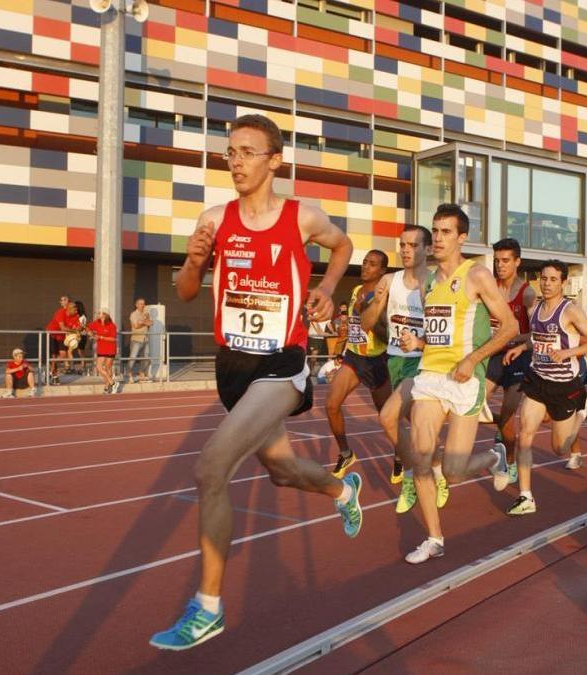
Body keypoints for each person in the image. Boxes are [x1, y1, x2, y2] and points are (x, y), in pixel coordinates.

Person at [150, 114, 361, 650]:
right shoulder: (215, 218)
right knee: (282, 470)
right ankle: (343, 488)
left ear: (274, 160)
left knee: (210, 469)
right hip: (233, 366)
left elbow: (344, 245)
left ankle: (209, 608)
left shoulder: (302, 217)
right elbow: (186, 291)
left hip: (281, 363)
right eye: (230, 152)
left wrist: (329, 286)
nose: (236, 161)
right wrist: (195, 263)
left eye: (247, 151)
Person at [397, 203, 519, 564]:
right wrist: (416, 343)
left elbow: (510, 327)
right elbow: (435, 336)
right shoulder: (427, 283)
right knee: (421, 460)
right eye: (434, 231)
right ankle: (434, 538)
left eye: (446, 231)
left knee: (452, 469)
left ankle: (495, 456)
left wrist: (472, 359)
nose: (437, 238)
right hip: (430, 377)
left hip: (465, 380)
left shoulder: (476, 275)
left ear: (462, 237)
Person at [506, 260, 587, 515]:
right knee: (524, 434)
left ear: (563, 283)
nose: (547, 284)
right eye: (544, 278)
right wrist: (522, 345)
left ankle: (580, 413)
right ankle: (526, 496)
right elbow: (536, 338)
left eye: (552, 280)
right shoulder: (536, 309)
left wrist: (569, 352)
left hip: (564, 386)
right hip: (538, 381)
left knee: (559, 448)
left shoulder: (570, 311)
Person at [360, 224, 440, 513]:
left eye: (414, 245)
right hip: (394, 360)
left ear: (428, 249)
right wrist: (378, 301)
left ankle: (409, 476)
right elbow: (367, 325)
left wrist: (419, 343)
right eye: (403, 245)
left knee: (387, 417)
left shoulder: (435, 283)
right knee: (419, 433)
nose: (406, 250)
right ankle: (439, 470)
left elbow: (446, 338)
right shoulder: (389, 281)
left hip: (423, 364)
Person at [327, 250, 392, 478]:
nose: (365, 267)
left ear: (382, 271)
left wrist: (368, 313)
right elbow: (353, 328)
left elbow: (386, 335)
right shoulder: (355, 290)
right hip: (354, 357)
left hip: (376, 361)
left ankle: (402, 455)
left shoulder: (382, 296)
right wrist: (340, 352)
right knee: (331, 404)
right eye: (365, 262)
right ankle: (346, 453)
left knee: (387, 418)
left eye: (372, 264)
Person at [485, 238, 534, 489]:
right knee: (473, 405)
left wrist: (512, 337)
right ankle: (502, 433)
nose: (500, 265)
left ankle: (510, 460)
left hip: (518, 357)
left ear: (517, 262)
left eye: (505, 261)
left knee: (507, 418)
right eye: (496, 261)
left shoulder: (527, 293)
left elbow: (537, 333)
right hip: (493, 355)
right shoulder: (489, 288)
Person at [87, 308, 120, 394]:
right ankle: (113, 383)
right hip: (101, 348)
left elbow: (113, 339)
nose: (99, 315)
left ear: (106, 315)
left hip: (110, 348)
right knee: (99, 367)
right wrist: (89, 332)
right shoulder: (96, 322)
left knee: (108, 368)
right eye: (98, 313)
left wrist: (101, 337)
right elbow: (87, 328)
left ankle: (107, 387)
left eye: (101, 313)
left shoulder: (112, 325)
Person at [46, 296, 72, 383]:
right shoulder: (60, 312)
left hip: (62, 336)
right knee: (53, 355)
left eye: (65, 300)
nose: (63, 302)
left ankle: (50, 373)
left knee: (63, 355)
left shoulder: (73, 314)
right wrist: (75, 331)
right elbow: (63, 327)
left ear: (69, 301)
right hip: (53, 334)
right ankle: (54, 375)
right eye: (62, 300)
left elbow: (77, 325)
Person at [128, 298, 154, 382]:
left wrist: (142, 322)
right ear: (136, 305)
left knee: (146, 358)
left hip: (145, 339)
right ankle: (129, 374)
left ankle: (141, 374)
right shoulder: (133, 314)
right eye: (141, 303)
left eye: (143, 304)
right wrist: (143, 322)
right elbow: (135, 326)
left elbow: (151, 323)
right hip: (136, 339)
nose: (143, 305)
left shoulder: (146, 314)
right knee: (133, 358)